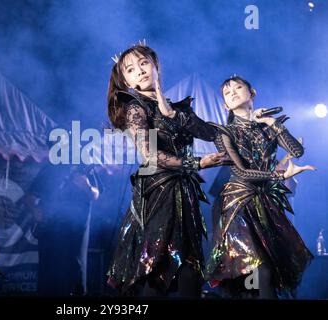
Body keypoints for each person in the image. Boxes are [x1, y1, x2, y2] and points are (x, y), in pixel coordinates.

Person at [105, 43, 228, 298]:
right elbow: (150, 156)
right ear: (127, 81)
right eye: (130, 69)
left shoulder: (177, 108)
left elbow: (212, 134)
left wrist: (171, 113)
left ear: (155, 66)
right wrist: (197, 163)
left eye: (144, 63)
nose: (139, 71)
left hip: (186, 193)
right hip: (158, 193)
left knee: (191, 268)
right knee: (157, 268)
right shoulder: (136, 108)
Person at [205, 76, 315, 299]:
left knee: (270, 273)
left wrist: (271, 122)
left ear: (252, 93)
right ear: (225, 105)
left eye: (238, 87)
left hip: (265, 204)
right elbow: (242, 172)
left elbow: (297, 152)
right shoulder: (225, 133)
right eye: (227, 92)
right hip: (237, 204)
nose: (233, 92)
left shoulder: (267, 126)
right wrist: (280, 174)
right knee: (259, 269)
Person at [30, 162, 103, 296]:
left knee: (73, 275)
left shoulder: (84, 167)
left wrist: (86, 186)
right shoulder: (50, 167)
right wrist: (35, 210)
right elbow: (29, 197)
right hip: (48, 234)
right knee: (48, 278)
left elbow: (96, 195)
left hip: (75, 235)